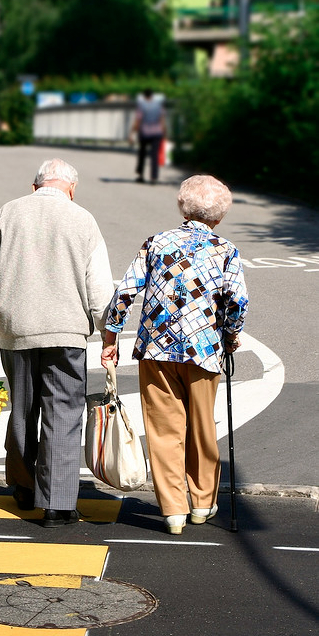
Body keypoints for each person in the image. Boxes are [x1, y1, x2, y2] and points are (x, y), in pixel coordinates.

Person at [0, 158, 114, 528]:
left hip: (16, 331)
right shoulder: (84, 220)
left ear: (35, 186)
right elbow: (100, 290)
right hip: (67, 334)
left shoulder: (7, 214)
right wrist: (109, 334)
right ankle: (59, 505)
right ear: (72, 189)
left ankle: (25, 487)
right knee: (63, 414)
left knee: (23, 409)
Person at [101, 175, 248, 535]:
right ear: (220, 215)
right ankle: (202, 503)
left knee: (164, 430)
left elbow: (125, 291)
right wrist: (230, 336)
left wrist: (111, 334)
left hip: (156, 348)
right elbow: (237, 301)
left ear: (183, 205)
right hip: (204, 350)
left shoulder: (156, 243)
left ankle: (173, 511)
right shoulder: (226, 250)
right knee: (201, 427)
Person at [130, 89, 165, 184]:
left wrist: (132, 133)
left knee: (142, 154)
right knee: (154, 156)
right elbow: (162, 119)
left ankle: (140, 175)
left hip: (145, 132)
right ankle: (153, 177)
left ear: (144, 96)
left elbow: (138, 120)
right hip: (157, 132)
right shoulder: (158, 105)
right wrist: (164, 132)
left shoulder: (142, 105)